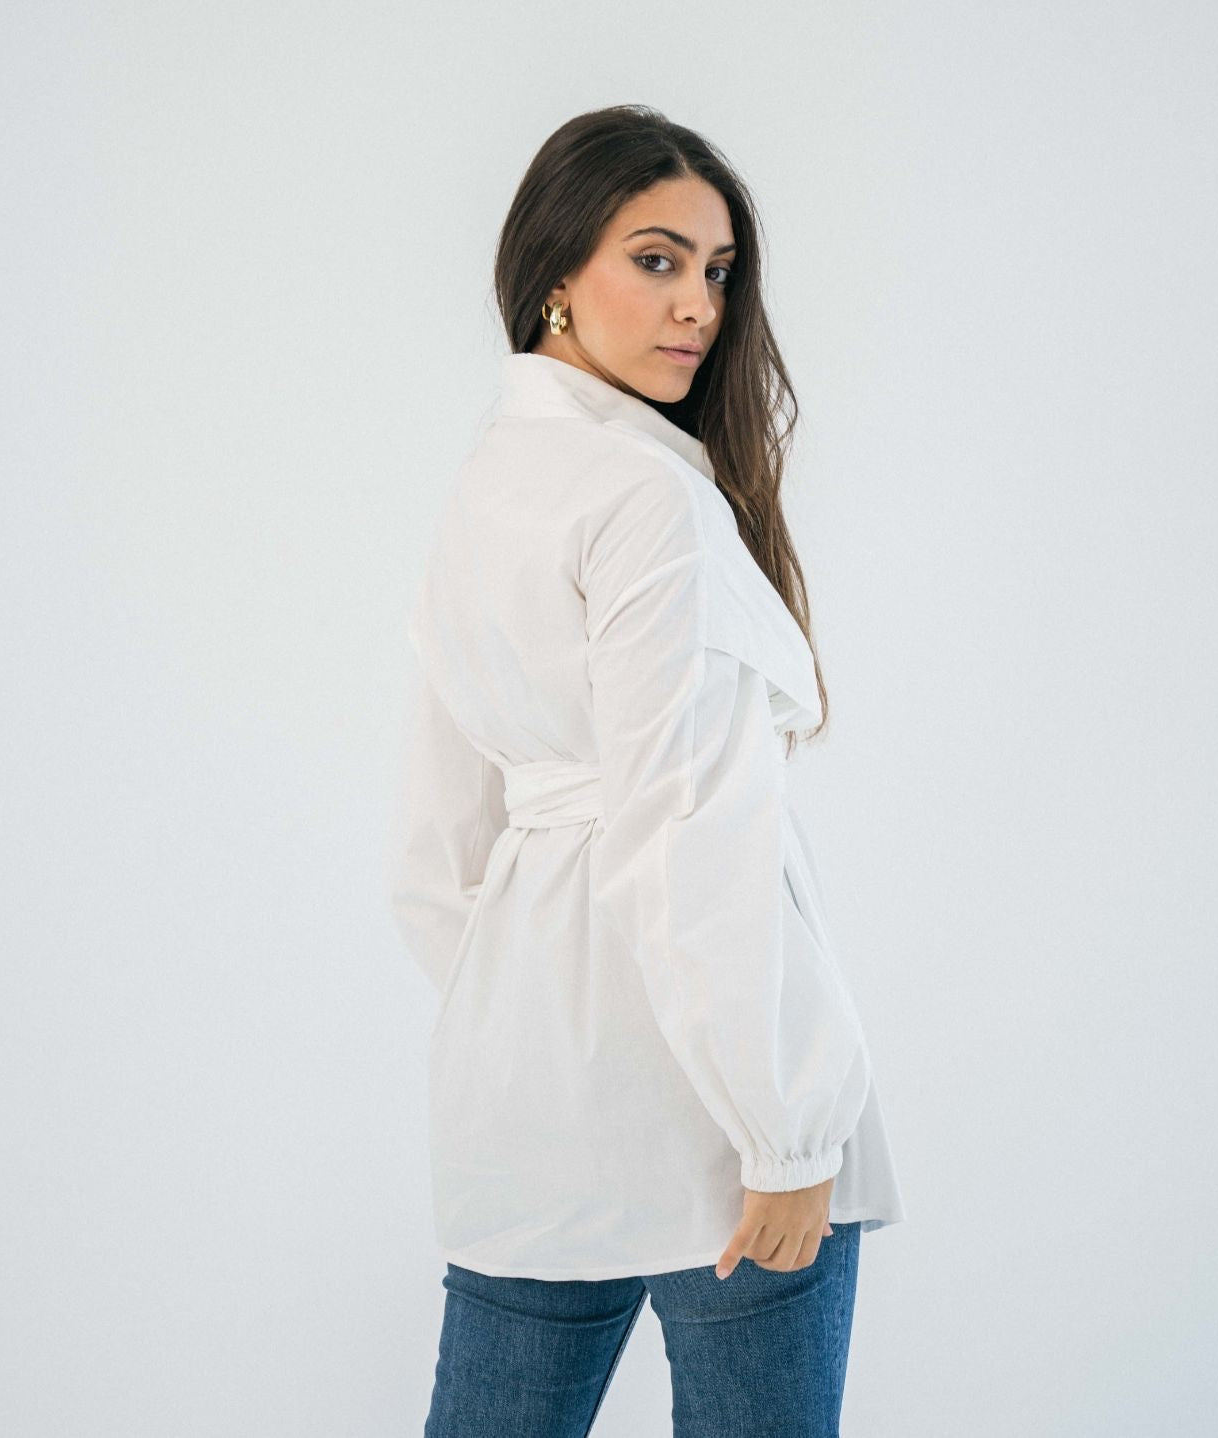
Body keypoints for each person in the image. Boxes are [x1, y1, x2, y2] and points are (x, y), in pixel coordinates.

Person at [391, 104, 906, 1437]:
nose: (699, 307)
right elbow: (689, 829)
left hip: (526, 1104)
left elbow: (437, 851)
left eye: (717, 270)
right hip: (716, 1118)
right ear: (555, 274)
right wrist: (786, 1128)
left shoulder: (487, 485)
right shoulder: (646, 497)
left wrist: (534, 1015)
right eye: (657, 259)